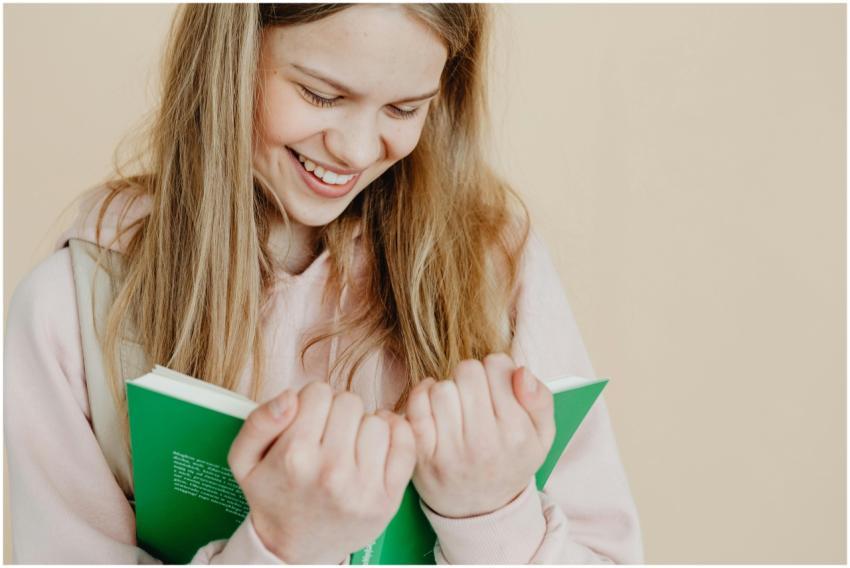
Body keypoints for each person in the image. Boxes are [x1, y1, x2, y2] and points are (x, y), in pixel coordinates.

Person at [5, 4, 644, 564]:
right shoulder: (76, 306)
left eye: (403, 107)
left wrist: (494, 516)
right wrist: (282, 549)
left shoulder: (497, 266)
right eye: (320, 95)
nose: (358, 149)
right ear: (231, 54)